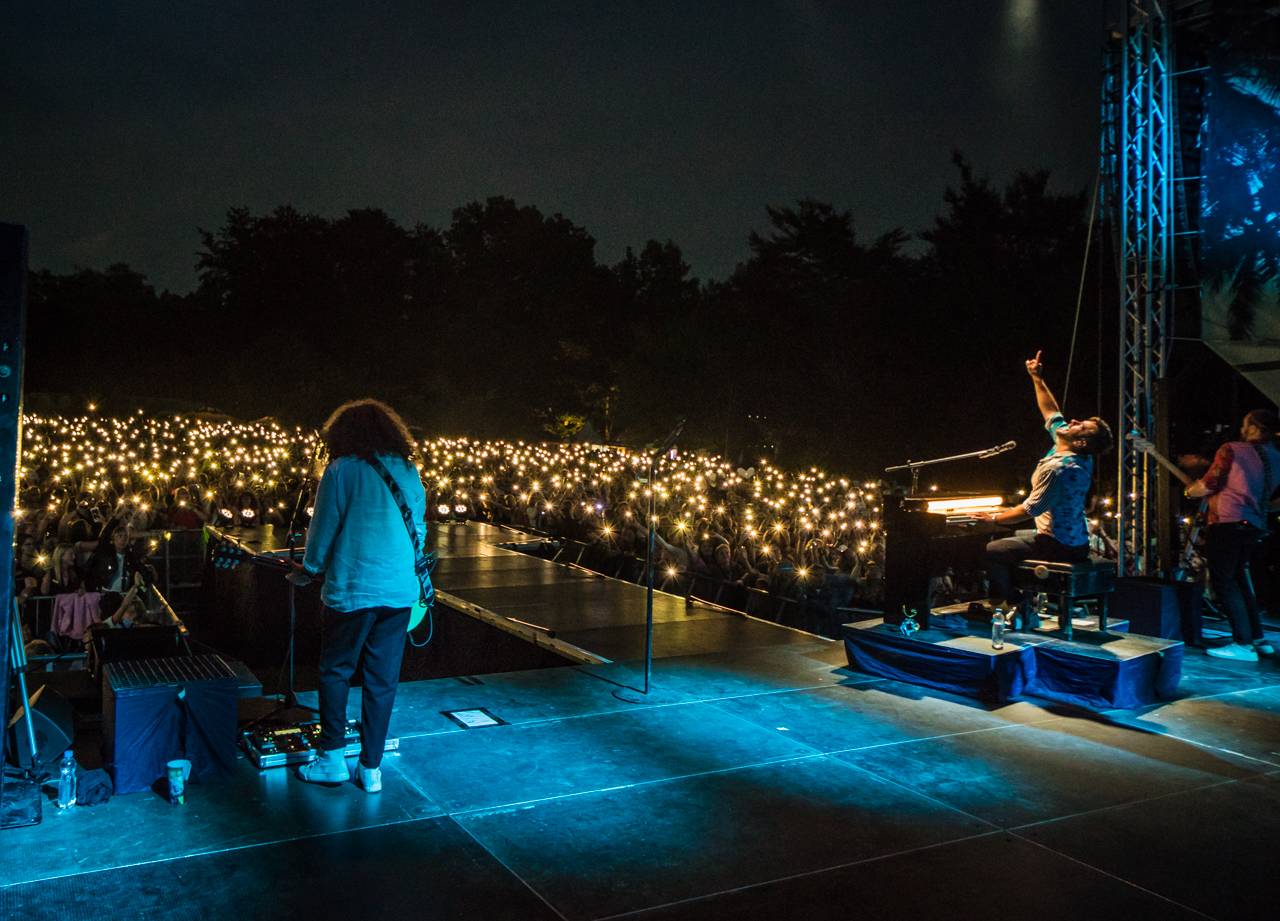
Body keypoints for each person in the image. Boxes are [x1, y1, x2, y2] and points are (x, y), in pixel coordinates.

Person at [291, 399, 428, 793]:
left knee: (336, 671)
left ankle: (332, 759)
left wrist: (309, 571)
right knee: (382, 680)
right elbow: (419, 528)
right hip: (400, 591)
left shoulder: (341, 470)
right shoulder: (407, 470)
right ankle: (371, 769)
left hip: (353, 588)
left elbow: (322, 531)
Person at [983, 351, 1114, 620]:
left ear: (1081, 442)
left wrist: (993, 518)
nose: (1073, 422)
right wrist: (1036, 378)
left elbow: (1030, 509)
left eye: (1081, 426)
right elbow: (1051, 411)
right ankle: (1020, 600)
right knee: (1014, 540)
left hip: (1059, 544)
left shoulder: (1061, 468)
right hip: (1074, 539)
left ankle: (1014, 603)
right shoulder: (1068, 447)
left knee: (995, 549)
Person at [1183, 409, 1280, 661]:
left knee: (1224, 581)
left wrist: (1191, 491)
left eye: (1246, 424)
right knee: (1239, 578)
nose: (1242, 429)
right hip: (1254, 524)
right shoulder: (1276, 456)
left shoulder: (1232, 449)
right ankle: (1257, 638)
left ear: (1255, 427)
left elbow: (1210, 483)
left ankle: (1242, 643)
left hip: (1228, 521)